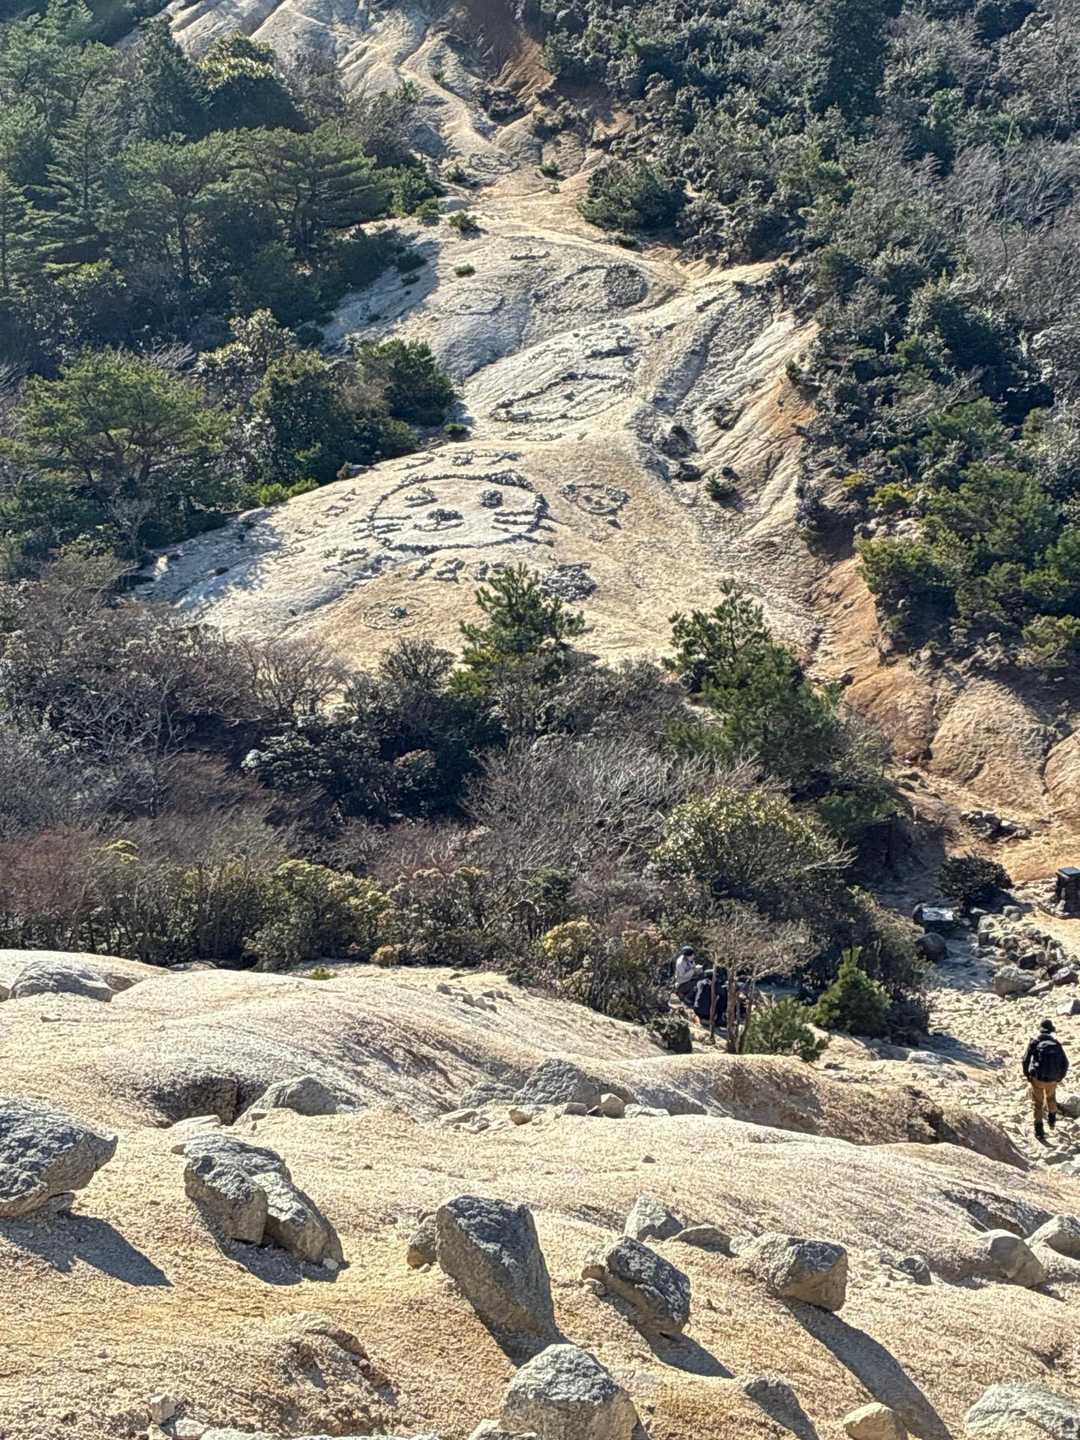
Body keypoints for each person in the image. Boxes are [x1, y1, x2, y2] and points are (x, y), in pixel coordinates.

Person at [1022, 1019, 1070, 1140]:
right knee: (1051, 1098)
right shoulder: (1056, 1044)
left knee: (1038, 1104)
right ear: (1050, 1031)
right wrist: (1060, 1077)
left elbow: (1025, 1060)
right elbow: (1065, 1063)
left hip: (1037, 1079)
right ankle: (1052, 1120)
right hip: (1053, 1079)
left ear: (1041, 1030)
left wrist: (1027, 1075)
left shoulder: (1035, 1042)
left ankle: (1039, 1131)